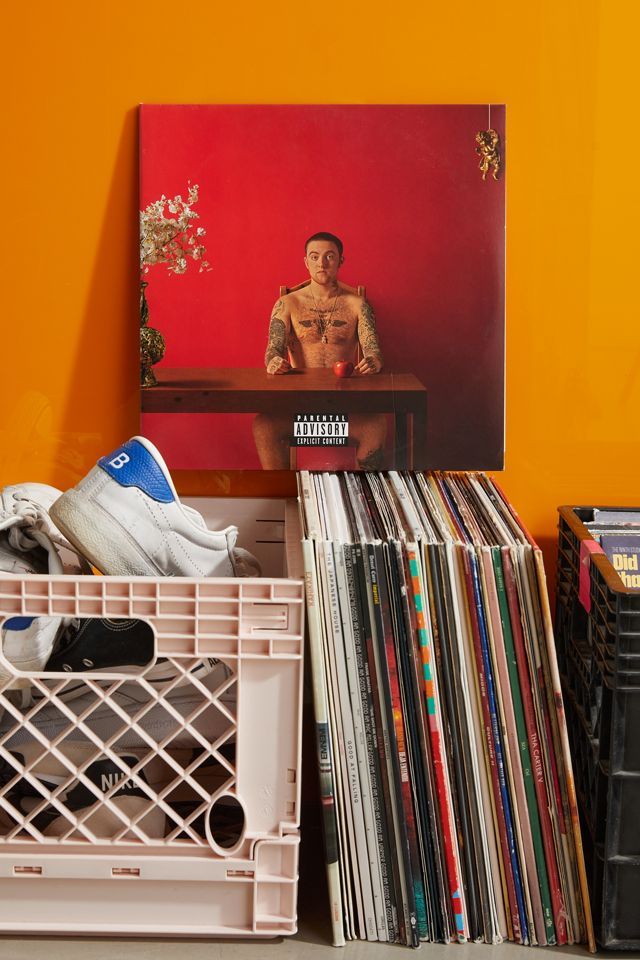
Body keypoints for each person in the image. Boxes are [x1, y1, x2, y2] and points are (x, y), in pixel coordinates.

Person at [253, 232, 386, 469]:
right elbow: (272, 349)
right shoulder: (288, 303)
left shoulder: (357, 304)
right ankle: (282, 493)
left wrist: (373, 361)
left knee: (376, 425)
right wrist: (273, 360)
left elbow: (373, 349)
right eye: (314, 257)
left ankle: (366, 498)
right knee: (264, 426)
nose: (321, 263)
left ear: (341, 261)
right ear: (305, 261)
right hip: (300, 407)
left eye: (329, 257)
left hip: (343, 409)